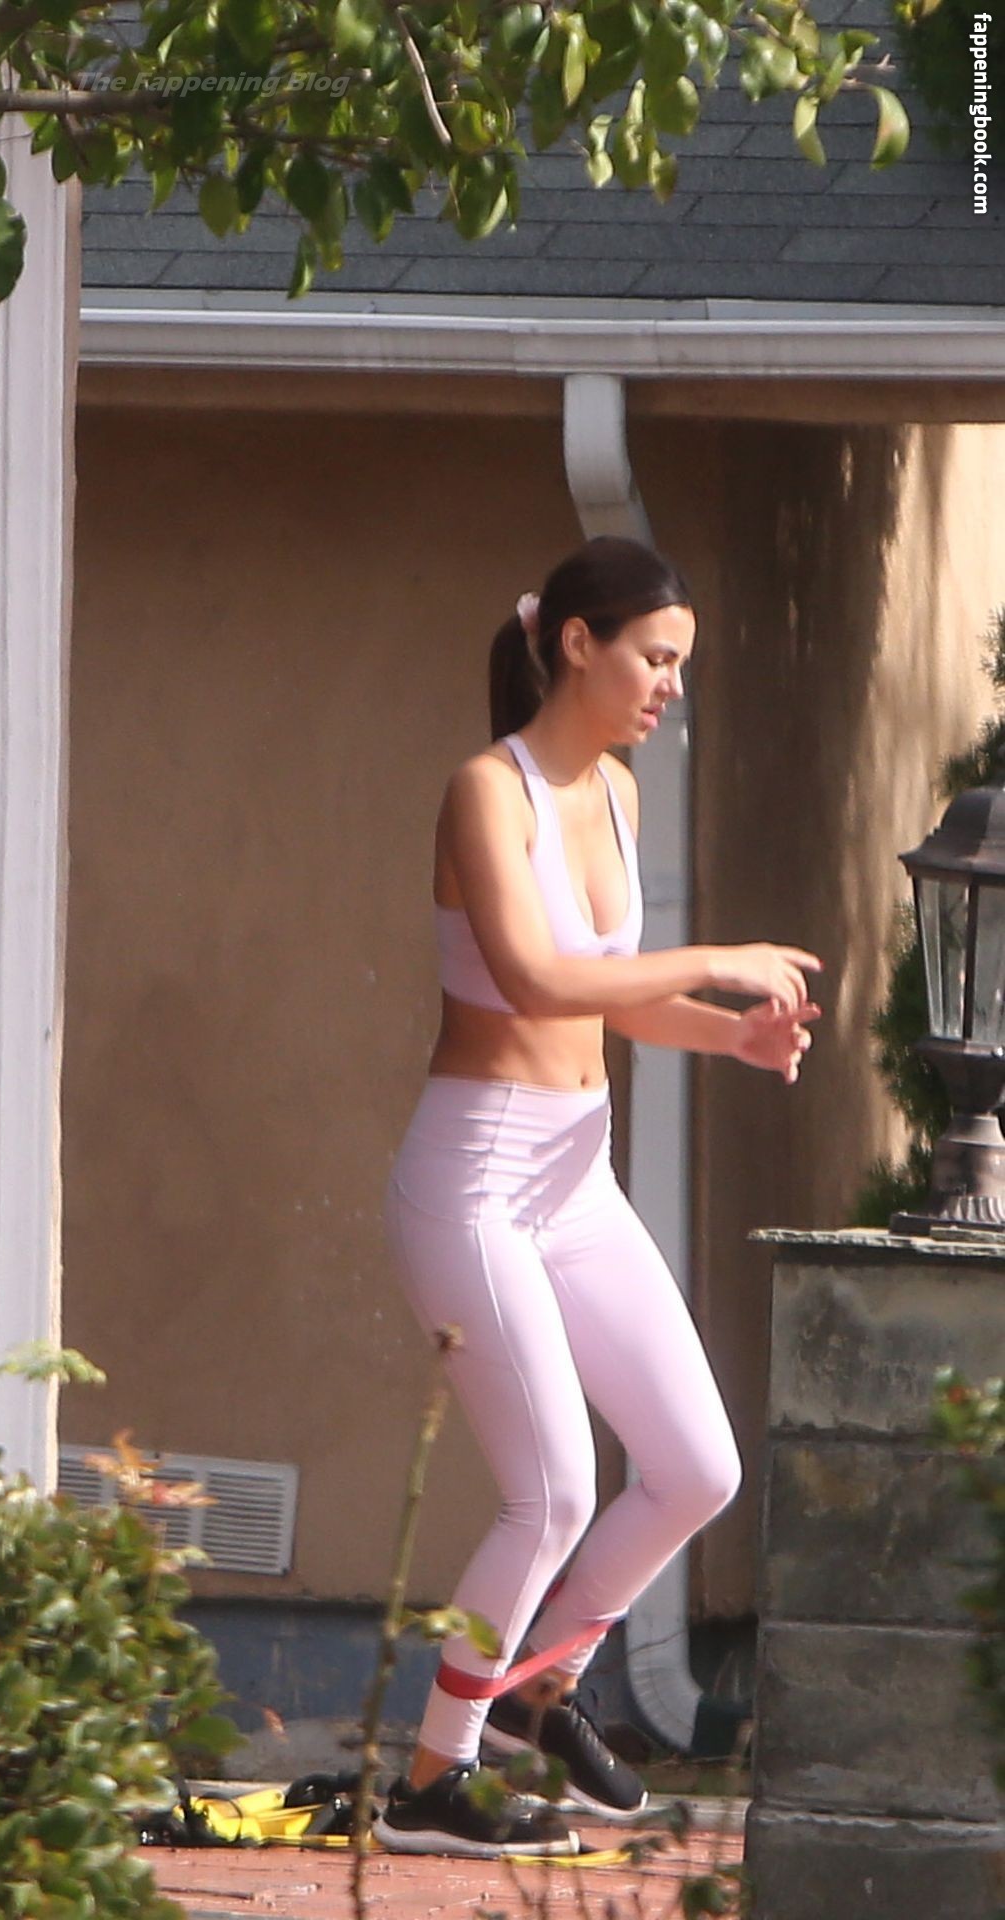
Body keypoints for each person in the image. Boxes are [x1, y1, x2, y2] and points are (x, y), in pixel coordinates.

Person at [372, 536, 822, 1860]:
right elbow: (536, 979)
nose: (671, 685)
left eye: (680, 664)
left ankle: (539, 1685)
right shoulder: (486, 792)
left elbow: (611, 1005)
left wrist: (729, 1034)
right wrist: (714, 957)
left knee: (695, 1467)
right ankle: (432, 1780)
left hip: (576, 1175)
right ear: (578, 644)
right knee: (555, 1490)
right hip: (471, 1182)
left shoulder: (616, 790)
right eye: (655, 658)